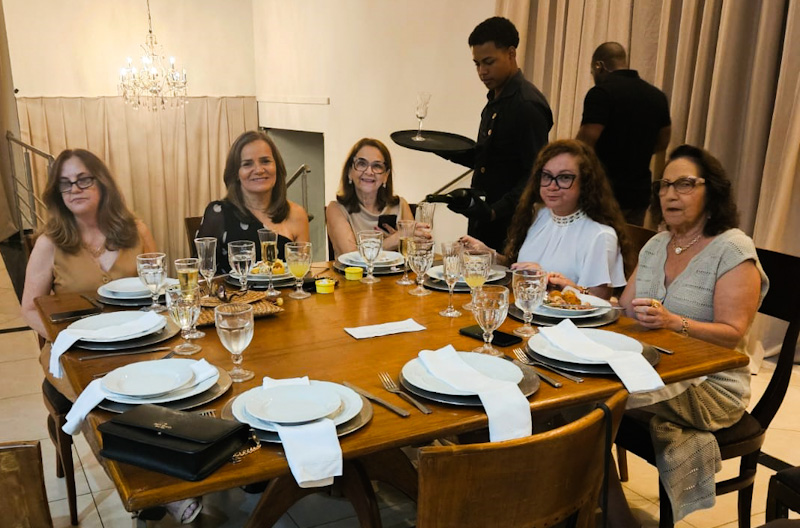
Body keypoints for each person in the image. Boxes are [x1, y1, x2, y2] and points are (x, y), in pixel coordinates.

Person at [20, 150, 202, 524]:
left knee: (185, 381)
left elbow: (159, 292)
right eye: (65, 183)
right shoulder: (49, 242)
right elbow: (29, 309)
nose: (74, 189)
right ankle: (148, 490)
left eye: (83, 179)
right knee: (103, 401)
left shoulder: (135, 230)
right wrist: (71, 339)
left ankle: (183, 469)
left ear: (102, 183)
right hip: (73, 354)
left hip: (137, 345)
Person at [611, 145, 769, 524]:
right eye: (664, 185)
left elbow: (732, 334)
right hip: (654, 368)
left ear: (712, 191)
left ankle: (609, 515)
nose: (669, 194)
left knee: (591, 406)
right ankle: (593, 506)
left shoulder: (732, 248)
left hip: (711, 384)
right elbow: (625, 309)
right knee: (578, 395)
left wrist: (672, 322)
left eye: (684, 184)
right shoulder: (657, 244)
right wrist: (580, 297)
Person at [437, 16, 553, 252]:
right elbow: (490, 159)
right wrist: (443, 148)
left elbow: (535, 173)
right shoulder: (496, 98)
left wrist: (493, 211)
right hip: (483, 219)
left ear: (511, 53)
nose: (482, 71)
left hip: (509, 225)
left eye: (488, 62)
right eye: (477, 64)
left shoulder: (526, 104)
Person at [460, 139, 630, 300]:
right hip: (525, 310)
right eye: (547, 176)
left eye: (564, 177)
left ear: (586, 183)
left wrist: (548, 279)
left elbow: (599, 302)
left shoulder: (600, 235)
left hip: (563, 320)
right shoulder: (540, 215)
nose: (552, 186)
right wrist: (489, 255)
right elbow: (519, 268)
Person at [576, 42, 671, 225]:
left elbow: (584, 143)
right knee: (629, 241)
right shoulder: (657, 96)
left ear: (599, 66)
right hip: (638, 195)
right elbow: (663, 142)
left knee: (597, 242)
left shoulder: (601, 93)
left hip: (603, 193)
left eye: (592, 71)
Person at [197, 130, 309, 273]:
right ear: (236, 173)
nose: (259, 170)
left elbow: (303, 275)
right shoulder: (217, 213)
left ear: (277, 167)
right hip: (230, 289)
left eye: (265, 161)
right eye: (247, 164)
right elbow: (201, 275)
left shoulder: (297, 214)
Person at [327, 138, 426, 258]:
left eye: (377, 166)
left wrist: (422, 242)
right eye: (362, 164)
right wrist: (395, 240)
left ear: (386, 176)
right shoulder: (336, 209)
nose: (369, 172)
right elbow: (351, 256)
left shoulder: (400, 205)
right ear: (349, 172)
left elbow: (415, 254)